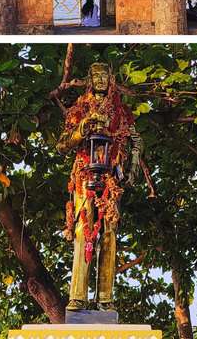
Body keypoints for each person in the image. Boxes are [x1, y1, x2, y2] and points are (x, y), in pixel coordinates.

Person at [57, 63, 142, 312]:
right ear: (90, 79)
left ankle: (105, 296)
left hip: (111, 177)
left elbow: (136, 139)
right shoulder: (80, 109)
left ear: (112, 78)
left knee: (109, 233)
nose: (101, 80)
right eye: (97, 76)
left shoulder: (120, 111)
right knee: (83, 229)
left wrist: (133, 166)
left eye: (105, 75)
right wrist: (82, 128)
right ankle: (77, 296)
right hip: (84, 173)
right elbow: (62, 145)